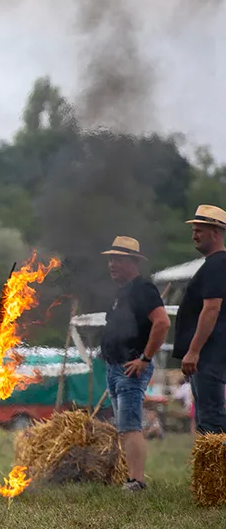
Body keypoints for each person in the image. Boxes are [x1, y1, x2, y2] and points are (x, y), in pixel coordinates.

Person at [99, 236, 171, 491]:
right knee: (124, 426)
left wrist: (145, 358)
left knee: (130, 425)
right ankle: (131, 476)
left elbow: (162, 323)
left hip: (131, 367)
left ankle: (137, 481)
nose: (112, 265)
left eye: (117, 259)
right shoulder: (122, 293)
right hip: (115, 366)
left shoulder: (143, 289)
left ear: (133, 262)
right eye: (110, 260)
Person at [173, 205, 226, 435]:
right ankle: (213, 468)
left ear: (216, 233)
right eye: (194, 230)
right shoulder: (213, 265)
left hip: (209, 353)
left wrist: (194, 351)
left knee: (211, 418)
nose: (194, 235)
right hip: (209, 353)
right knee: (206, 416)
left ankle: (217, 468)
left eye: (200, 230)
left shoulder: (217, 265)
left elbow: (211, 309)